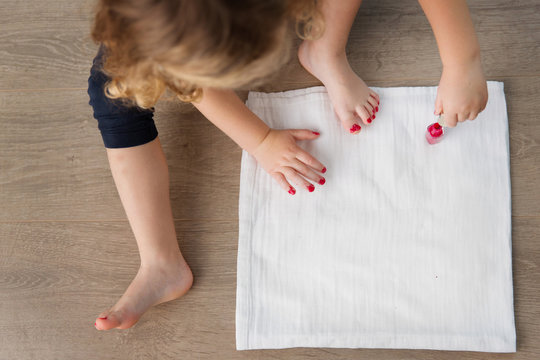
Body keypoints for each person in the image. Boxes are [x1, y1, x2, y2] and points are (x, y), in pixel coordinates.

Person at [88, 0, 487, 330]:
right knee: (112, 91)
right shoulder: (150, 21)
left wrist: (461, 62)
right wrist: (258, 140)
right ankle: (162, 264)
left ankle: (325, 49)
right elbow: (188, 82)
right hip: (171, 24)